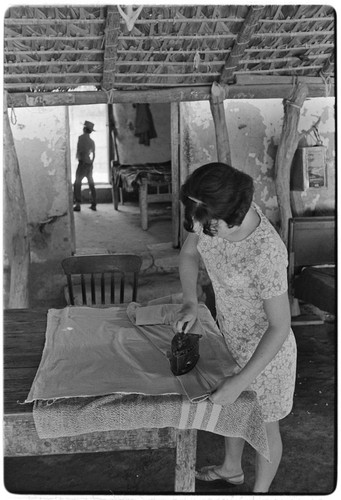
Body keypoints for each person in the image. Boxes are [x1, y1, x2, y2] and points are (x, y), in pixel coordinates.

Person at [174, 162, 297, 493]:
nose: (204, 232)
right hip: (229, 335)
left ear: (235, 218)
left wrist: (241, 379)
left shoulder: (266, 253)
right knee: (232, 412)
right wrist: (191, 302)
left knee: (263, 427)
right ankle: (231, 470)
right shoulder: (209, 213)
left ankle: (260, 492)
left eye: (211, 227)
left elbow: (279, 326)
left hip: (267, 353)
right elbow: (189, 254)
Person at [73, 120, 97, 212]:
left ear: (84, 129)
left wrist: (81, 159)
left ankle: (78, 204)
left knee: (77, 183)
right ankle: (94, 203)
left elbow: (80, 151)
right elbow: (93, 154)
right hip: (89, 164)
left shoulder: (81, 138)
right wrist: (91, 163)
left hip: (82, 163)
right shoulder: (92, 141)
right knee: (91, 183)